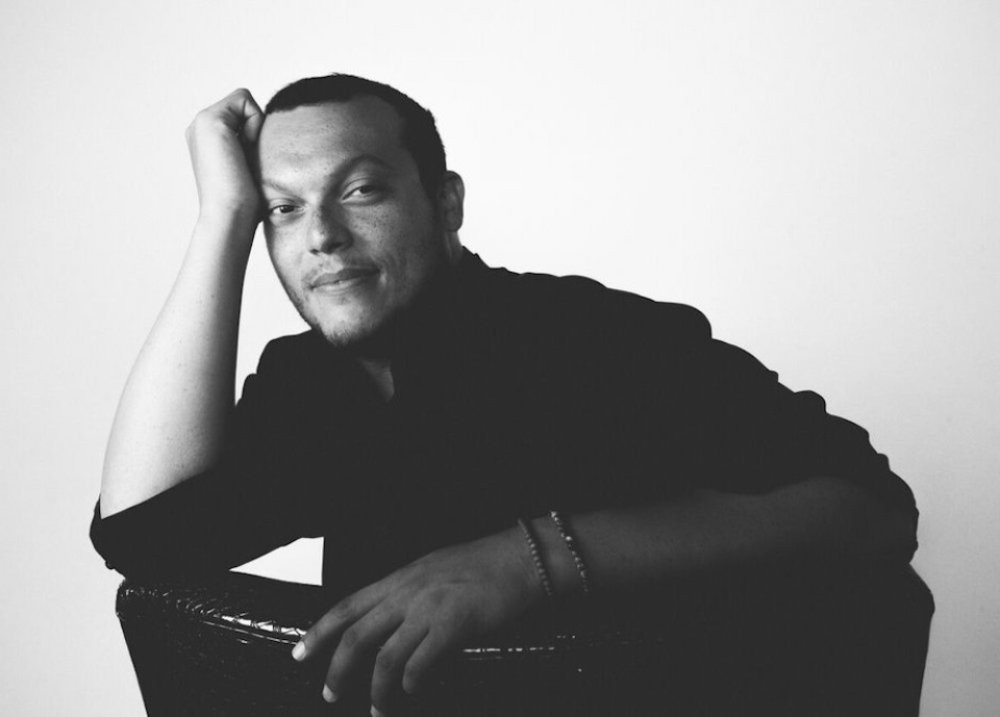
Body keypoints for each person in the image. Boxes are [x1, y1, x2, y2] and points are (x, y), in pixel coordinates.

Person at [91, 73, 918, 716]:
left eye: (360, 189)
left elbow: (871, 508)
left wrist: (532, 560)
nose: (322, 236)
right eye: (283, 209)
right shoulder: (310, 387)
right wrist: (222, 220)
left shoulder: (598, 340)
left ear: (445, 204)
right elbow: (144, 537)